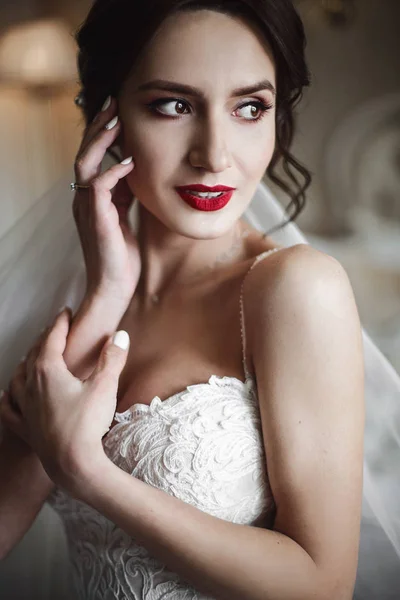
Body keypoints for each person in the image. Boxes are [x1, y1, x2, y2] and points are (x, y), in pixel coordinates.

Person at [0, 1, 399, 599]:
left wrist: (89, 474)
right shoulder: (79, 300)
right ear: (107, 117)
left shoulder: (294, 288)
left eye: (250, 107)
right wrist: (107, 293)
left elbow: (323, 586)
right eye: (173, 105)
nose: (214, 154)